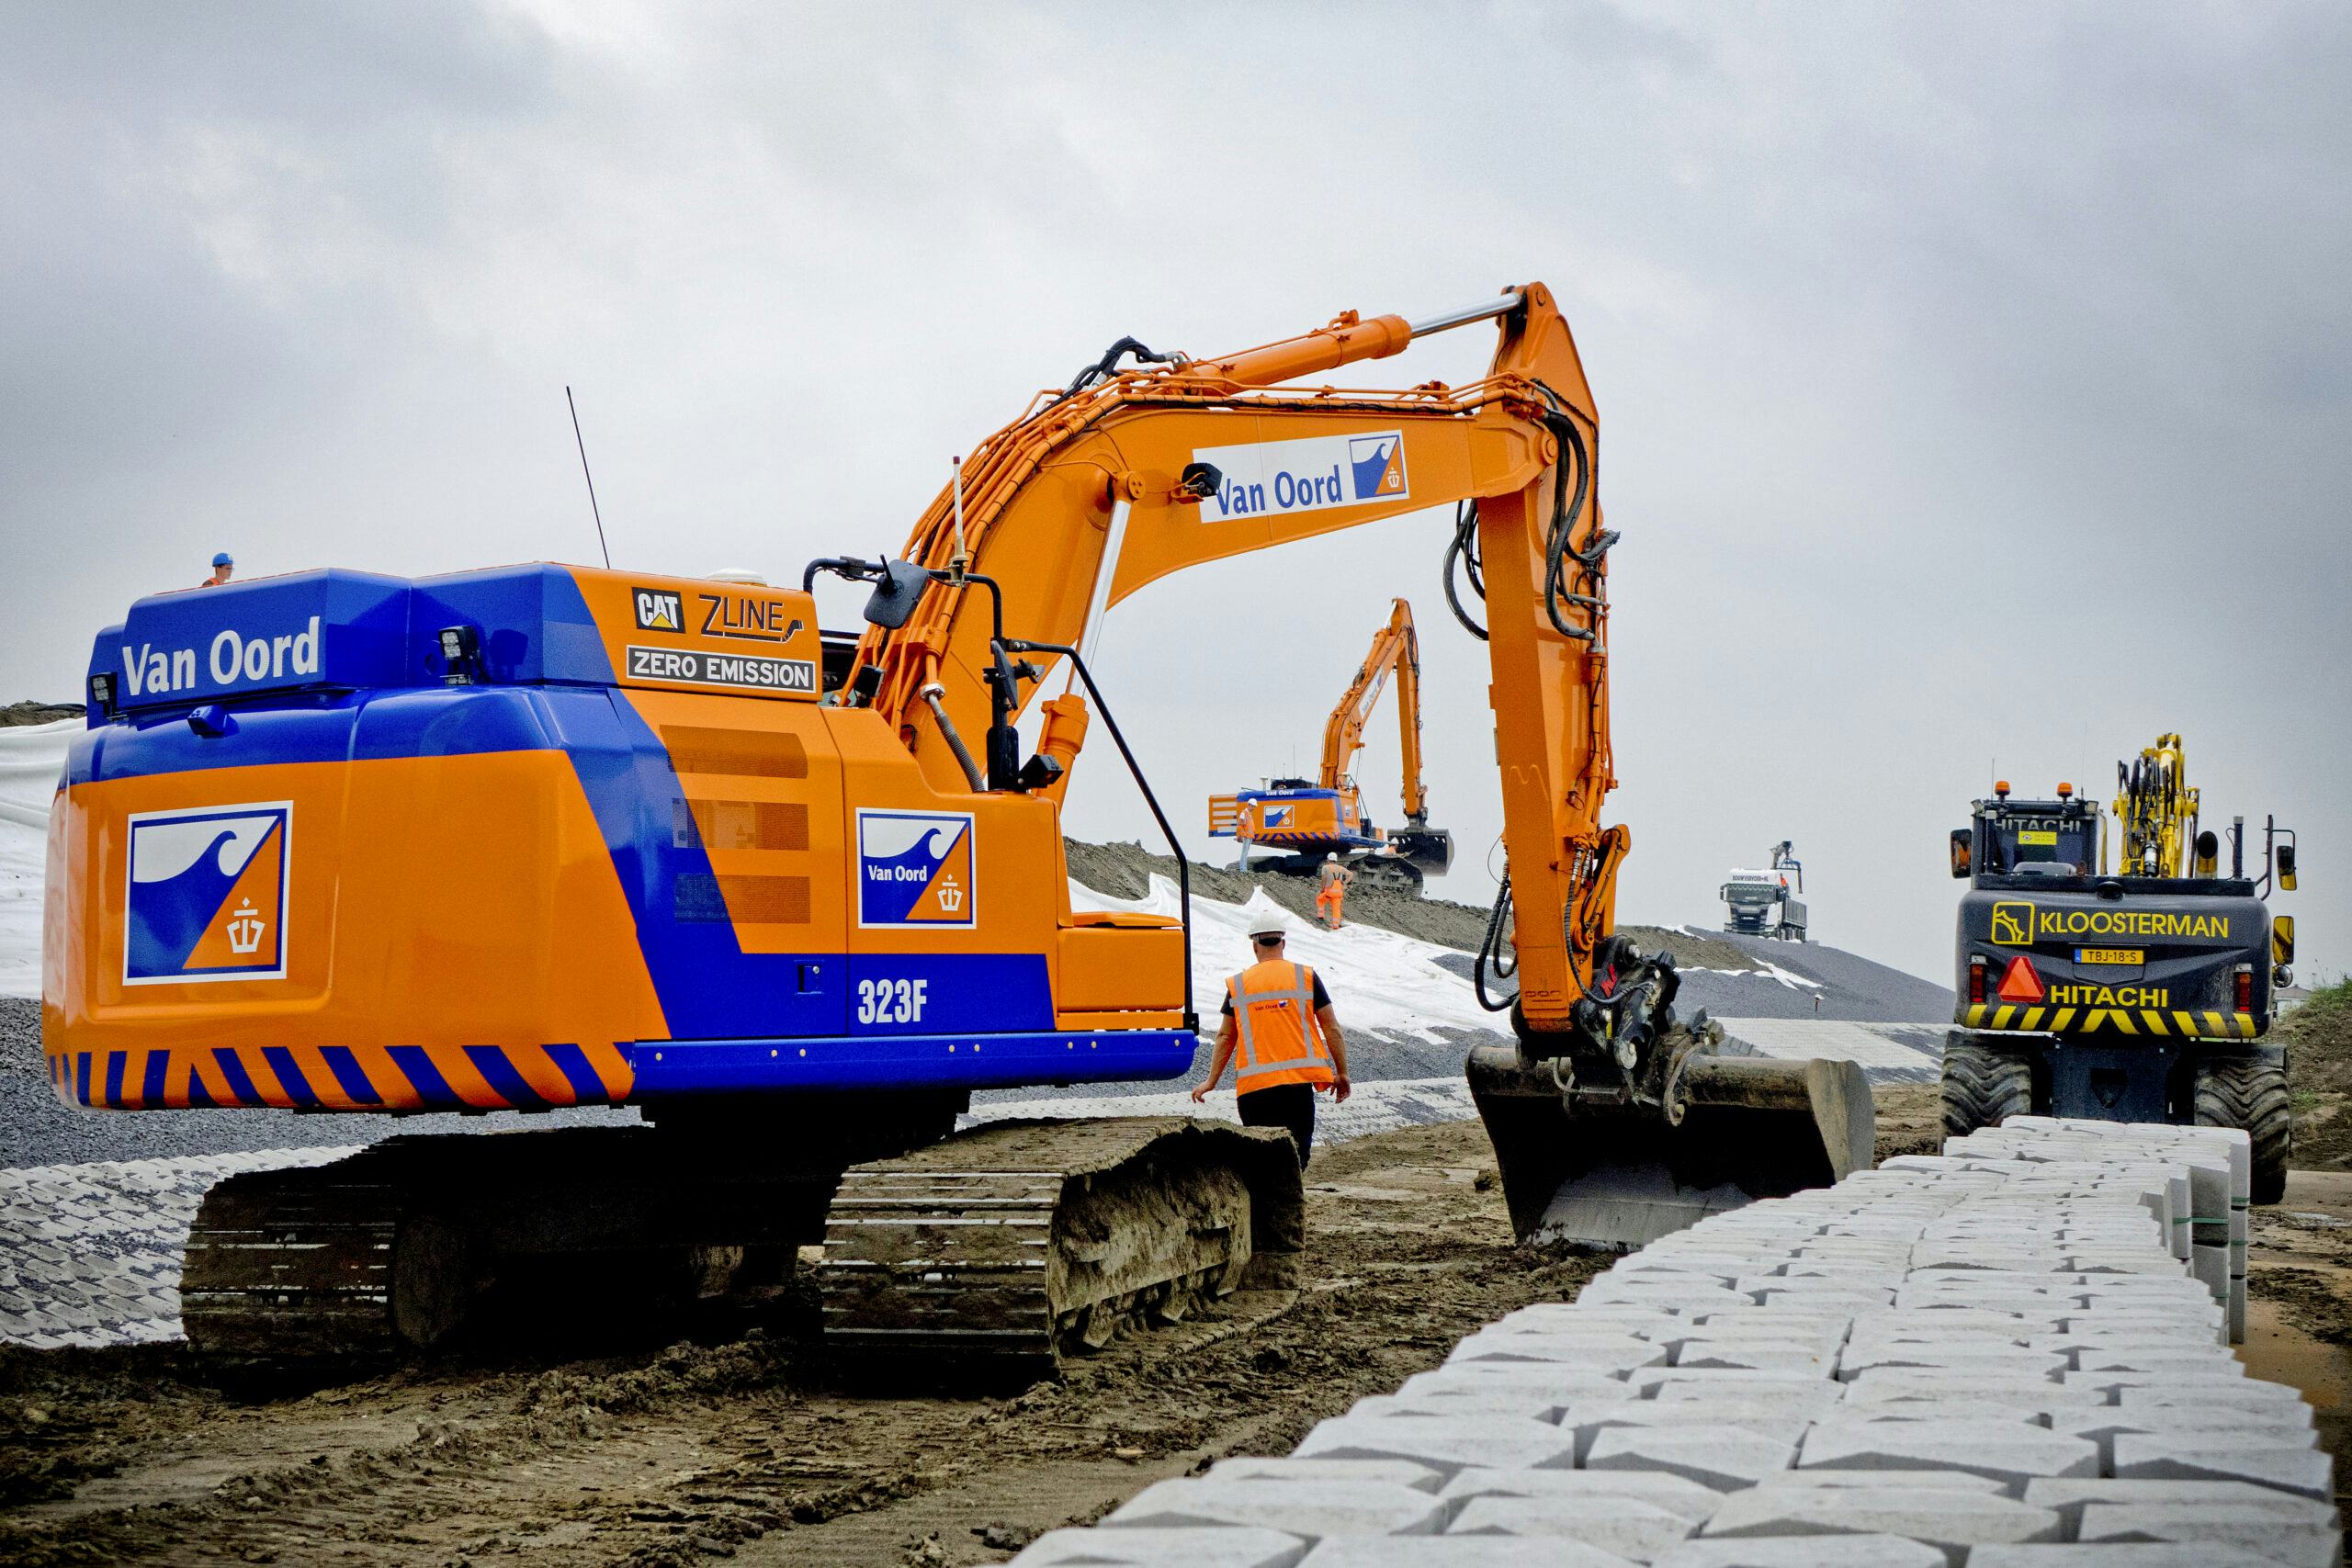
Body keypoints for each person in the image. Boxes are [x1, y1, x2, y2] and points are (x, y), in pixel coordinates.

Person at [1190, 909, 1351, 1168]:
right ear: (1283, 943)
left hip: (1255, 1092)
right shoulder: (1305, 977)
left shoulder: (1239, 985)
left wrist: (1211, 1081)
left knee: (1261, 1162)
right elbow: (1331, 1028)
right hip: (1297, 1089)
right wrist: (1342, 1073)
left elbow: (1225, 1036)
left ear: (1255, 946)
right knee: (1296, 1158)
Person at [1315, 851, 1354, 930]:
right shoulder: (1340, 868)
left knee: (1320, 900)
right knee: (1336, 908)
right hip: (1338, 893)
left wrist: (1322, 889)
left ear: (1328, 859)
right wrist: (1344, 882)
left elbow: (1324, 879)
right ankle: (1335, 925)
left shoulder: (1325, 867)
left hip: (1329, 892)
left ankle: (1320, 917)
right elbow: (1351, 874)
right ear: (1335, 860)